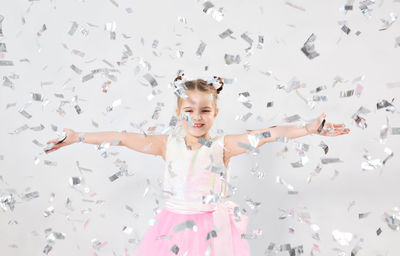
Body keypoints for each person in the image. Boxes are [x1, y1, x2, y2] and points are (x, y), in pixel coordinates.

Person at [45, 74, 350, 255]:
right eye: (190, 110)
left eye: (205, 110)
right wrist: (78, 136)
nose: (198, 117)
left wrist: (309, 129)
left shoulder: (223, 146)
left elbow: (269, 134)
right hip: (173, 227)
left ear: (215, 113)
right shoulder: (167, 145)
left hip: (213, 231)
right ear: (180, 113)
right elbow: (121, 138)